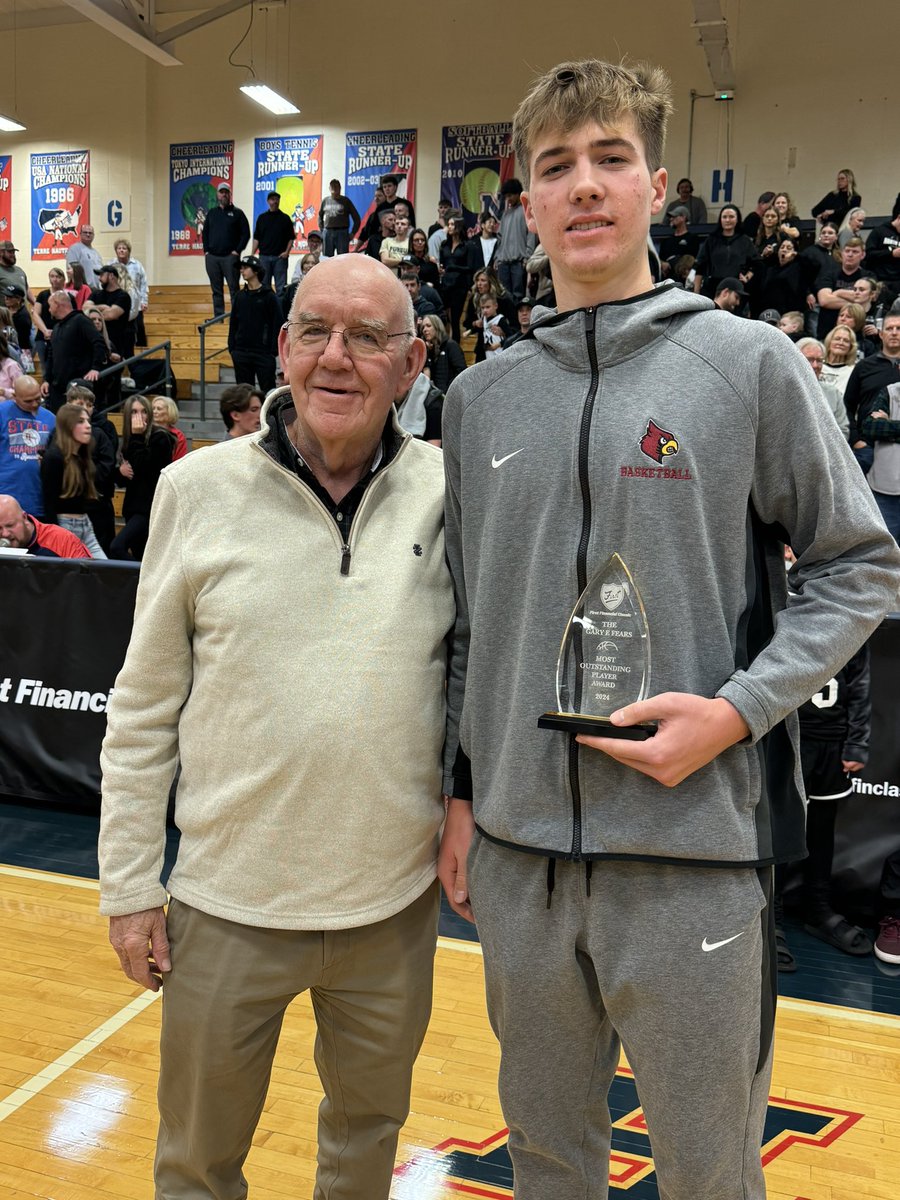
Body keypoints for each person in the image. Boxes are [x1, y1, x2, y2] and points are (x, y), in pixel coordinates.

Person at [438, 57, 900, 1200]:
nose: (584, 186)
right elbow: (465, 624)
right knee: (547, 1162)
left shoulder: (744, 364)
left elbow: (858, 565)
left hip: (695, 855)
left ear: (655, 185)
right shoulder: (477, 398)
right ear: (527, 204)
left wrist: (737, 714)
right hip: (519, 859)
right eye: (557, 167)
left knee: (706, 1172)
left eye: (609, 160)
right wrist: (460, 793)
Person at [98, 253, 453, 1200]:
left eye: (368, 338)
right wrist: (131, 885)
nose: (336, 359)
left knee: (366, 1143)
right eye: (313, 332)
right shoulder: (195, 490)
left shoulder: (452, 493)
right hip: (228, 906)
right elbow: (141, 710)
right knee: (197, 1165)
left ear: (412, 364)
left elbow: (469, 684)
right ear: (285, 348)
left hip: (391, 906)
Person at [774, 620, 871, 972]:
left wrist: (856, 743)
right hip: (790, 742)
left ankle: (818, 908)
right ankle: (773, 916)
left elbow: (860, 686)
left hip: (832, 744)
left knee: (821, 829)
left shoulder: (849, 621)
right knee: (782, 827)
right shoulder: (784, 613)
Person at [109, 395, 173, 561]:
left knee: (117, 547)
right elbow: (126, 478)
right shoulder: (130, 440)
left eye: (144, 411)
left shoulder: (160, 438)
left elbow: (144, 467)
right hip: (132, 507)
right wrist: (120, 471)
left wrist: (137, 437)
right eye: (135, 412)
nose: (140, 417)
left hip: (149, 509)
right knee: (141, 556)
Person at [39, 402, 108, 558]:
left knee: (104, 573)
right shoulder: (54, 458)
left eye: (88, 421)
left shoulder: (82, 455)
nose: (88, 426)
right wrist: (57, 537)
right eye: (81, 421)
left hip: (85, 524)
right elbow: (48, 503)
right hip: (65, 526)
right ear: (68, 426)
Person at [844, 311, 900, 473]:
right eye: (889, 328)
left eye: (899, 328)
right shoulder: (864, 367)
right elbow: (847, 406)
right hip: (867, 449)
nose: (894, 332)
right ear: (881, 334)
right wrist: (855, 440)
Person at [41, 290, 105, 413]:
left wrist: (95, 367)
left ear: (57, 303)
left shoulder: (81, 320)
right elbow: (51, 356)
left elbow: (98, 342)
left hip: (78, 388)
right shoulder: (56, 327)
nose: (49, 310)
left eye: (50, 306)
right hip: (58, 390)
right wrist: (46, 380)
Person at [0, 376, 55, 518]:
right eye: (28, 401)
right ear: (14, 396)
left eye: (38, 399)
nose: (35, 404)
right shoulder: (2, 413)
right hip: (6, 494)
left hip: (38, 496)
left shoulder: (51, 418)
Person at [227, 256, 282, 393]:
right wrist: (232, 348)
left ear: (256, 271)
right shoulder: (239, 297)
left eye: (245, 267)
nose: (242, 271)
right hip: (241, 353)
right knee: (244, 395)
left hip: (263, 354)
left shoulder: (269, 296)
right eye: (241, 268)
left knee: (268, 393)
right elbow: (233, 323)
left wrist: (272, 351)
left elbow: (278, 323)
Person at [201, 184, 250, 317]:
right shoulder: (211, 213)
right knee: (216, 290)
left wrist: (237, 251)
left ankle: (236, 318)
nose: (224, 195)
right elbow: (205, 233)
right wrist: (206, 251)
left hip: (230, 258)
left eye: (226, 192)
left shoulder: (237, 213)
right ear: (217, 195)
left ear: (230, 194)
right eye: (221, 192)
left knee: (234, 289)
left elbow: (246, 234)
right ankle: (218, 318)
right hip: (212, 258)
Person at [0, 493, 90, 558]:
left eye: (10, 525)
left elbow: (86, 579)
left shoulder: (61, 540)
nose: (5, 534)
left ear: (24, 518)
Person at [692, 205, 754, 299]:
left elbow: (756, 264)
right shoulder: (711, 240)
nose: (727, 220)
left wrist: (747, 277)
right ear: (720, 219)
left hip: (736, 289)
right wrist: (696, 293)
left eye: (731, 217)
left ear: (737, 219)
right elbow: (700, 267)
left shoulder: (745, 240)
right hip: (712, 289)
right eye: (724, 217)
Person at [796, 337, 850, 438]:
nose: (815, 365)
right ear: (795, 359)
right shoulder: (783, 391)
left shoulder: (833, 394)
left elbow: (843, 431)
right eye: (810, 360)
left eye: (819, 360)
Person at [815, 237, 867, 340]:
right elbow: (824, 301)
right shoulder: (828, 274)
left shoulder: (867, 276)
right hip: (827, 333)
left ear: (862, 255)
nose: (850, 254)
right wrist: (856, 303)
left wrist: (837, 292)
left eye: (855, 251)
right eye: (847, 251)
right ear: (842, 253)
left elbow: (865, 301)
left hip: (857, 337)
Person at [494, 179, 537, 302]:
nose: (509, 198)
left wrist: (528, 257)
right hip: (503, 263)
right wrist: (497, 257)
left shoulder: (525, 212)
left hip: (519, 262)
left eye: (511, 195)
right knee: (504, 296)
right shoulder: (505, 214)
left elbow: (531, 235)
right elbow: (500, 238)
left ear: (518, 194)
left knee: (519, 296)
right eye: (507, 196)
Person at [251, 191, 295, 295]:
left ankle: (281, 311)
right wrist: (252, 254)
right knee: (264, 287)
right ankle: (266, 311)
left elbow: (291, 238)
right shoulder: (262, 218)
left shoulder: (285, 218)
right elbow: (257, 237)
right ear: (268, 201)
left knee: (281, 288)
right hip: (264, 258)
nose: (275, 201)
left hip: (280, 258)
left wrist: (287, 252)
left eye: (277, 199)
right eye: (272, 199)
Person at [88, 263, 134, 361]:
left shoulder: (123, 296)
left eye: (101, 275)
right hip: (97, 341)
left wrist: (94, 310)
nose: (99, 278)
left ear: (111, 276)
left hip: (116, 343)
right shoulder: (96, 293)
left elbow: (110, 315)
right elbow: (85, 309)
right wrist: (103, 307)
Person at [439, 216, 473, 342]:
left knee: (455, 319)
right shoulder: (444, 245)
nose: (450, 227)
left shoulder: (467, 245)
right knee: (444, 318)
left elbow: (470, 267)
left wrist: (453, 267)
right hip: (446, 285)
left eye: (452, 224)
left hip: (459, 286)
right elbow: (442, 263)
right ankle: (444, 345)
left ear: (459, 226)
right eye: (449, 224)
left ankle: (455, 348)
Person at [31, 267, 68, 375]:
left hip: (62, 336)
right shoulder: (43, 295)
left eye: (58, 276)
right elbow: (36, 314)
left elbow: (71, 317)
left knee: (61, 367)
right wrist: (45, 331)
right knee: (45, 368)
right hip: (43, 336)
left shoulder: (68, 296)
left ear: (63, 279)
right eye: (52, 276)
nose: (55, 279)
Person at [113, 238, 149, 346]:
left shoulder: (137, 265)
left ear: (129, 250)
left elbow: (143, 284)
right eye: (119, 248)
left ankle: (142, 351)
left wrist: (144, 301)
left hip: (135, 303)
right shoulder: (111, 265)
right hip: (117, 302)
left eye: (124, 248)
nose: (121, 250)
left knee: (139, 327)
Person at [420, 313, 466, 393]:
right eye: (423, 327)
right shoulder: (428, 349)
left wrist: (449, 390)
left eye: (428, 326)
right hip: (435, 397)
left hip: (449, 395)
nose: (425, 329)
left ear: (437, 327)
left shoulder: (451, 345)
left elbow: (461, 371)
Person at [318, 179, 362, 258]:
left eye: (336, 186)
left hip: (342, 233)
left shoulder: (345, 201)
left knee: (343, 259)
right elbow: (320, 216)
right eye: (332, 186)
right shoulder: (325, 201)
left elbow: (357, 218)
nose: (334, 188)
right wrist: (322, 231)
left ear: (340, 188)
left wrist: (353, 233)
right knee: (326, 259)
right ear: (329, 188)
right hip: (328, 232)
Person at [65, 223, 102, 291]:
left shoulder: (96, 253)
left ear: (93, 235)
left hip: (97, 289)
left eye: (90, 233)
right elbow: (71, 270)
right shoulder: (75, 249)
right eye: (85, 232)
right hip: (82, 289)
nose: (88, 234)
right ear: (80, 234)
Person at [151, 395, 188, 460]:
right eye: (153, 408)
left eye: (159, 409)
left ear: (169, 411)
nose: (154, 411)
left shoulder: (178, 435)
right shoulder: (145, 431)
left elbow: (180, 460)